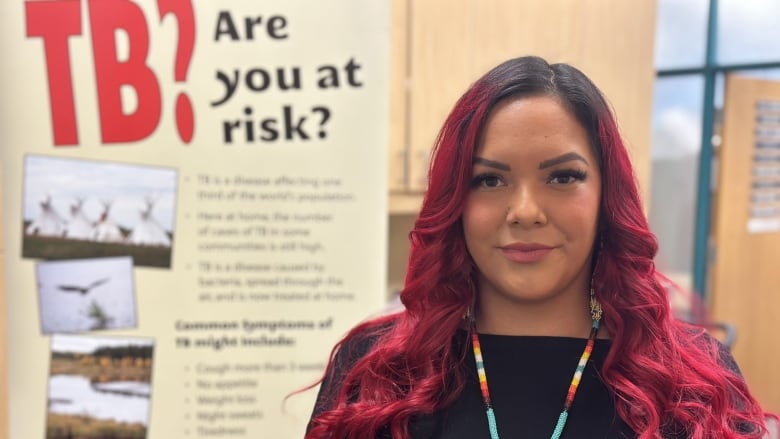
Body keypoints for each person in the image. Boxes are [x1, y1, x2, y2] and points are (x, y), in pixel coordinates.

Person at [305, 56, 773, 438]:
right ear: (456, 203)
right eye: (488, 180)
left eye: (562, 177)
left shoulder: (691, 384)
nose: (525, 211)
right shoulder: (377, 372)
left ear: (607, 196)